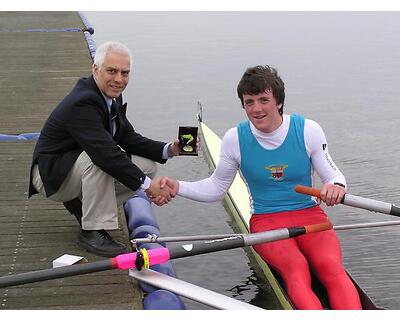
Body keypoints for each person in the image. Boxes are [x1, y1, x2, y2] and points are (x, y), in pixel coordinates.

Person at [160, 65, 362, 310]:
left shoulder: (308, 130)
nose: (256, 109)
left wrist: (336, 186)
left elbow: (333, 174)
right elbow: (216, 187)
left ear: (278, 102)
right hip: (266, 221)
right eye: (249, 102)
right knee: (296, 268)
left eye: (264, 100)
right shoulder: (235, 139)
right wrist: (177, 186)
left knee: (331, 267)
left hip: (310, 216)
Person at [28, 41, 178, 258]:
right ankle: (92, 231)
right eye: (112, 71)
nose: (119, 79)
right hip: (50, 175)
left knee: (146, 166)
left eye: (125, 73)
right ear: (95, 69)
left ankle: (82, 205)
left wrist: (170, 150)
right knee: (100, 159)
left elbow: (127, 137)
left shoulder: (109, 96)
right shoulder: (83, 102)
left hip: (72, 167)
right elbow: (105, 154)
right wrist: (148, 187)